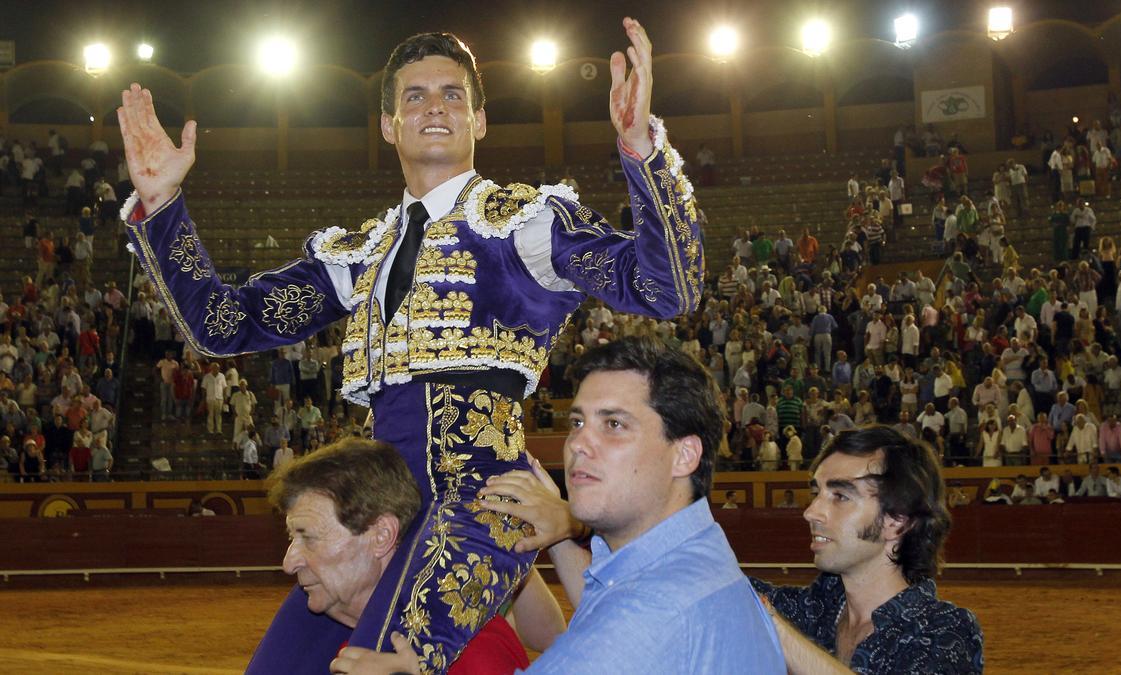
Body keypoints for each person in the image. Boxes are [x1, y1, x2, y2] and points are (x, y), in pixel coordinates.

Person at [118, 20, 702, 672]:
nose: (435, 108)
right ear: (389, 125)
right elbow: (222, 324)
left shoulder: (525, 224)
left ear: (479, 120)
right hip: (375, 511)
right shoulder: (361, 253)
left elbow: (664, 286)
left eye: (453, 95)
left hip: (481, 506)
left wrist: (640, 151)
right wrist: (163, 201)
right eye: (415, 96)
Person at [461, 337, 786, 673]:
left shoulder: (651, 610)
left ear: (684, 454)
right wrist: (558, 534)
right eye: (577, 423)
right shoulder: (701, 563)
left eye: (613, 424)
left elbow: (628, 628)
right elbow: (607, 611)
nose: (578, 443)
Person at [273, 439, 564, 675]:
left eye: (308, 536)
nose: (290, 562)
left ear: (382, 535)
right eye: (291, 538)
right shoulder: (353, 645)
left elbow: (550, 635)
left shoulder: (467, 647)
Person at [746, 427, 983, 672]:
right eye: (816, 492)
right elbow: (722, 582)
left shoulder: (946, 632)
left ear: (897, 521)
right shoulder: (808, 611)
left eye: (840, 496)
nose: (811, 512)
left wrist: (778, 632)